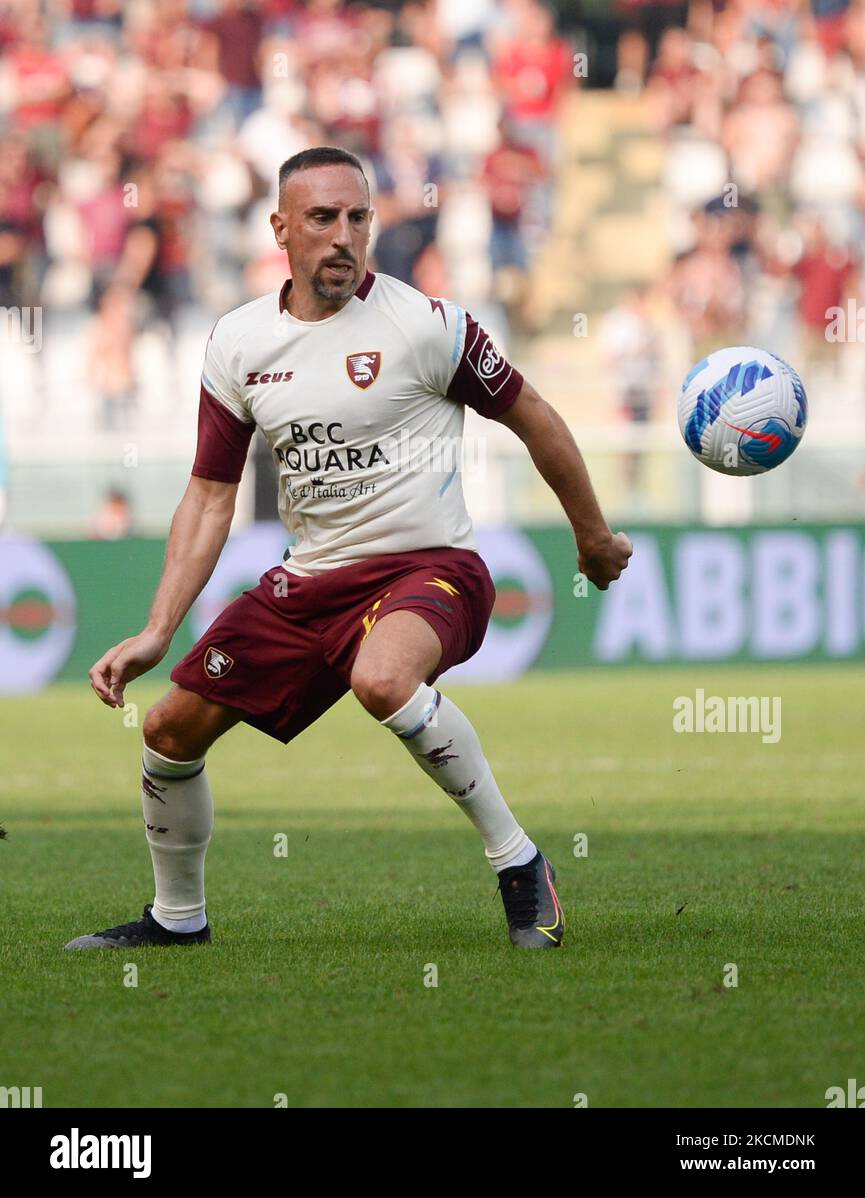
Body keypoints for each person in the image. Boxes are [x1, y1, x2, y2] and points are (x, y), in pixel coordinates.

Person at [70, 146, 632, 954]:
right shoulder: (238, 344)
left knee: (382, 678)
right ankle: (177, 919)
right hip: (312, 584)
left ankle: (519, 863)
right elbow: (210, 493)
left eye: (357, 217)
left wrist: (590, 534)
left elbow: (533, 413)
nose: (343, 236)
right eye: (322, 218)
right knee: (167, 731)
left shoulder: (427, 325)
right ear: (280, 229)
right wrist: (160, 628)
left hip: (429, 567)